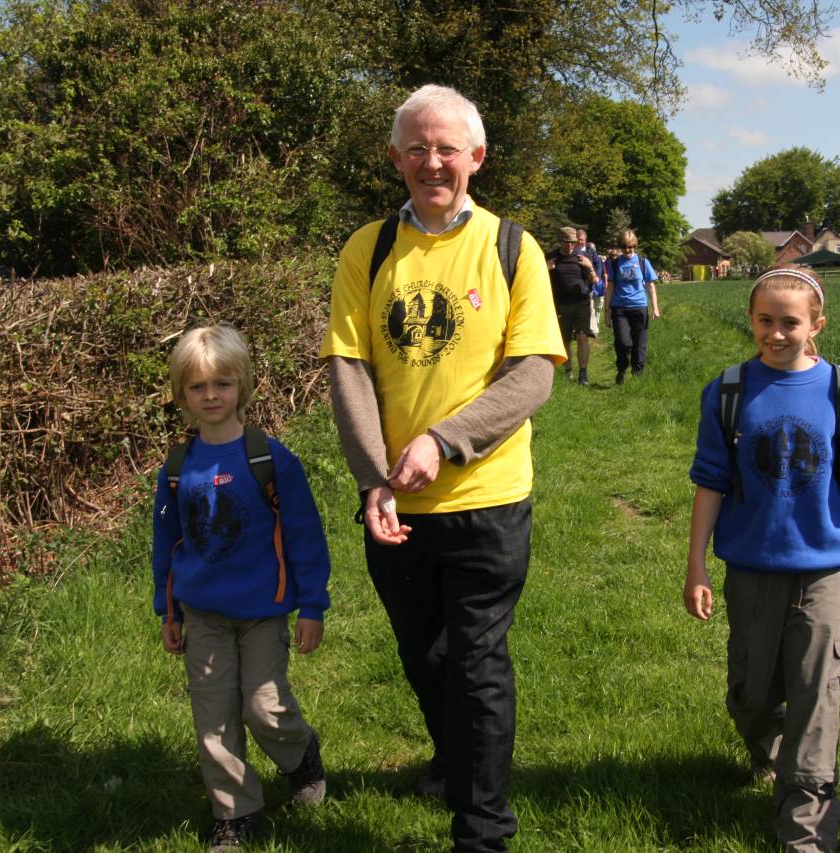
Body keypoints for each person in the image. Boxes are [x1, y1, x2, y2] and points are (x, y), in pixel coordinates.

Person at [319, 84, 565, 853]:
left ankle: (482, 827)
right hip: (394, 503)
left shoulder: (512, 248)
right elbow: (349, 369)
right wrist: (374, 478)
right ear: (395, 159)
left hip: (488, 496)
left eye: (447, 148)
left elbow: (534, 374)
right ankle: (457, 758)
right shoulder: (368, 249)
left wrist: (442, 440)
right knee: (423, 653)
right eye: (417, 148)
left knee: (477, 658)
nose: (433, 161)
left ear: (476, 158)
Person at [683, 265, 840, 852]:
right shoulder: (727, 391)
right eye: (765, 321)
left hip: (822, 567)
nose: (777, 334)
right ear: (751, 320)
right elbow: (710, 483)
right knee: (752, 693)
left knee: (816, 690)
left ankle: (805, 826)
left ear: (817, 325)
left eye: (791, 323)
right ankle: (767, 745)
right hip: (749, 566)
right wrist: (696, 564)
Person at [152, 324, 331, 853]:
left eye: (223, 385)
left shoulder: (272, 460)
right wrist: (169, 611)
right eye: (198, 387)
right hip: (202, 614)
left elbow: (305, 537)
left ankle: (302, 757)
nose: (211, 396)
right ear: (181, 394)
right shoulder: (177, 468)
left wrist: (312, 604)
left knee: (263, 708)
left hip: (263, 612)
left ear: (243, 387)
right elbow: (167, 543)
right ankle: (234, 813)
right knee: (214, 718)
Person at [604, 228, 659, 385]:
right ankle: (621, 369)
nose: (627, 250)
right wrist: (607, 312)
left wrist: (655, 307)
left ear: (634, 245)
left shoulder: (643, 262)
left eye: (630, 247)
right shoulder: (615, 264)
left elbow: (651, 286)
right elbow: (610, 288)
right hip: (619, 308)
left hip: (639, 307)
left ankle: (637, 377)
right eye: (624, 247)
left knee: (639, 344)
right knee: (624, 343)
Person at [548, 225, 598, 386]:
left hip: (581, 303)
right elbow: (538, 282)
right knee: (565, 341)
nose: (570, 245)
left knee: (582, 337)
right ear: (559, 241)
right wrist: (545, 269)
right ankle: (568, 371)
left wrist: (589, 268)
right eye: (566, 242)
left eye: (573, 242)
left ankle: (583, 375)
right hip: (561, 305)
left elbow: (594, 281)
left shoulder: (581, 257)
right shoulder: (551, 257)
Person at [576, 227, 606, 337]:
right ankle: (577, 329)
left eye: (582, 239)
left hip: (588, 282)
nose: (580, 241)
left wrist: (597, 276)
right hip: (576, 281)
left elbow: (598, 264)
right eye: (578, 239)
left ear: (585, 239)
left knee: (590, 306)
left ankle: (593, 330)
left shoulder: (591, 251)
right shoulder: (573, 249)